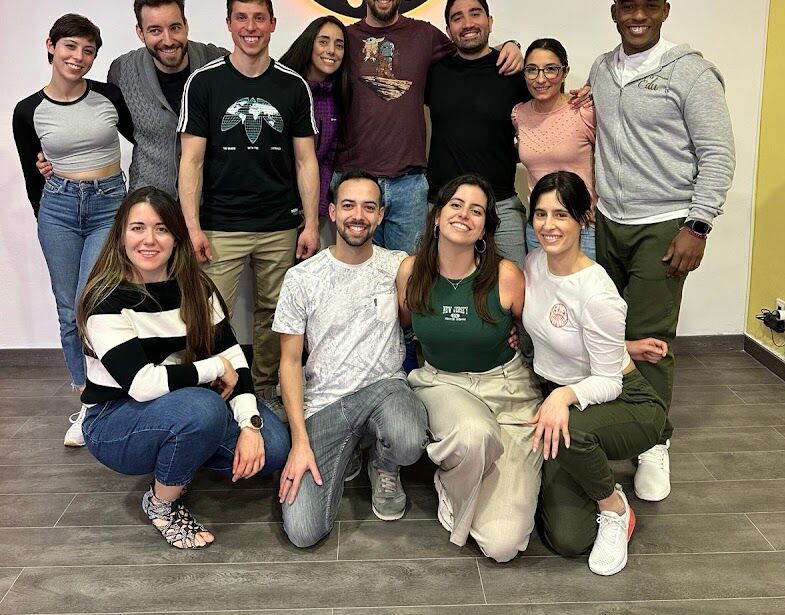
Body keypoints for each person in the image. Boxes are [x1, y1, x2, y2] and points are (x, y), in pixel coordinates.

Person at [589, 0, 735, 502]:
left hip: (664, 223)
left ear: (665, 11)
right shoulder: (602, 70)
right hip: (610, 220)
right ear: (614, 13)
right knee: (608, 327)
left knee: (650, 335)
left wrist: (697, 224)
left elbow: (717, 153)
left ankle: (653, 441)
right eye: (628, 6)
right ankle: (619, 419)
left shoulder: (691, 73)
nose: (639, 16)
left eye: (649, 5)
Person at [76, 187, 289, 548]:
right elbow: (143, 384)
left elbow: (235, 361)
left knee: (273, 447)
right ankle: (161, 504)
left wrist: (250, 426)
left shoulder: (196, 287)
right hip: (115, 421)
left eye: (161, 229)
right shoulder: (106, 299)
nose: (149, 239)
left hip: (181, 405)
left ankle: (182, 457)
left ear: (176, 237)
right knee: (203, 407)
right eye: (138, 228)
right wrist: (213, 367)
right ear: (121, 235)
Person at [177, 0, 320, 402]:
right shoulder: (204, 83)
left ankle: (263, 391)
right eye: (241, 17)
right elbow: (191, 161)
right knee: (208, 314)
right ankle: (211, 393)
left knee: (276, 315)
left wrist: (311, 224)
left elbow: (305, 160)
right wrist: (192, 227)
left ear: (273, 24)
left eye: (259, 18)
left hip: (280, 224)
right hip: (220, 224)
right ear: (228, 24)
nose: (250, 27)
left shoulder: (293, 85)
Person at [522, 171, 667, 575]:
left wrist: (562, 395)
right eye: (540, 214)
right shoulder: (533, 264)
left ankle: (614, 507)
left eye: (561, 215)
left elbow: (609, 380)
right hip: (567, 399)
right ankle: (596, 475)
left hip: (625, 400)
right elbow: (560, 334)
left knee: (572, 431)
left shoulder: (597, 291)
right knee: (568, 538)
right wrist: (624, 345)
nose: (548, 225)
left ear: (583, 219)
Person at [274, 171, 428, 547]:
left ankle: (383, 464)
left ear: (380, 215)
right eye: (348, 205)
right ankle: (350, 449)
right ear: (331, 212)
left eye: (369, 207)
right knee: (303, 532)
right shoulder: (301, 278)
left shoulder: (399, 266)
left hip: (384, 389)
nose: (358, 215)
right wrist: (299, 441)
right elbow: (289, 363)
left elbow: (419, 319)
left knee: (409, 439)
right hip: (325, 404)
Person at [334, 0, 522, 253]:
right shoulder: (343, 39)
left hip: (409, 186)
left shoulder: (425, 36)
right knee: (355, 272)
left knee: (408, 273)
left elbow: (471, 50)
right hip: (354, 180)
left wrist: (510, 46)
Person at [397, 174, 543, 563]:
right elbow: (404, 326)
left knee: (502, 545)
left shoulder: (506, 275)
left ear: (484, 227)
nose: (464, 215)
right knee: (474, 435)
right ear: (437, 215)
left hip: (508, 393)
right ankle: (454, 480)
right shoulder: (411, 272)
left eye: (476, 210)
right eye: (456, 205)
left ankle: (477, 480)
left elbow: (539, 336)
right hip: (442, 385)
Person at [13, 14, 133, 446]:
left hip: (108, 205)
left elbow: (148, 139)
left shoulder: (108, 96)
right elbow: (32, 173)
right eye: (70, 46)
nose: (78, 57)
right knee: (68, 309)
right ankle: (88, 402)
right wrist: (43, 217)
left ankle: (115, 392)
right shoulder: (28, 110)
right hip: (58, 209)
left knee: (93, 301)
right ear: (51, 46)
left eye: (88, 51)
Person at [35, 0, 227, 196]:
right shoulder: (122, 71)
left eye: (175, 27)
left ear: (186, 25)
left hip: (216, 199)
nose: (168, 40)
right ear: (140, 32)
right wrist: (53, 153)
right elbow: (102, 117)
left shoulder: (218, 62)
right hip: (149, 201)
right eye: (155, 30)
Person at [426, 0, 529, 267]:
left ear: (490, 21)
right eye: (457, 17)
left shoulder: (512, 71)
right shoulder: (435, 73)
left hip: (501, 204)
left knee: (514, 283)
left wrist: (514, 46)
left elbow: (549, 113)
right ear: (448, 30)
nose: (468, 23)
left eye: (475, 13)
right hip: (444, 203)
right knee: (436, 284)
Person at [512, 38, 596, 259]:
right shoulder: (519, 114)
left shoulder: (583, 110)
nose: (540, 79)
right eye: (532, 70)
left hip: (583, 227)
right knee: (539, 282)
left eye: (550, 69)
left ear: (565, 72)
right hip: (538, 228)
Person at [280, 15, 350, 247]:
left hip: (311, 212)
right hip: (275, 206)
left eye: (339, 45)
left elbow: (328, 159)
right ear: (309, 43)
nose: (331, 51)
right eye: (323, 42)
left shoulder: (337, 96)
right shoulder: (283, 87)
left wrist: (314, 209)